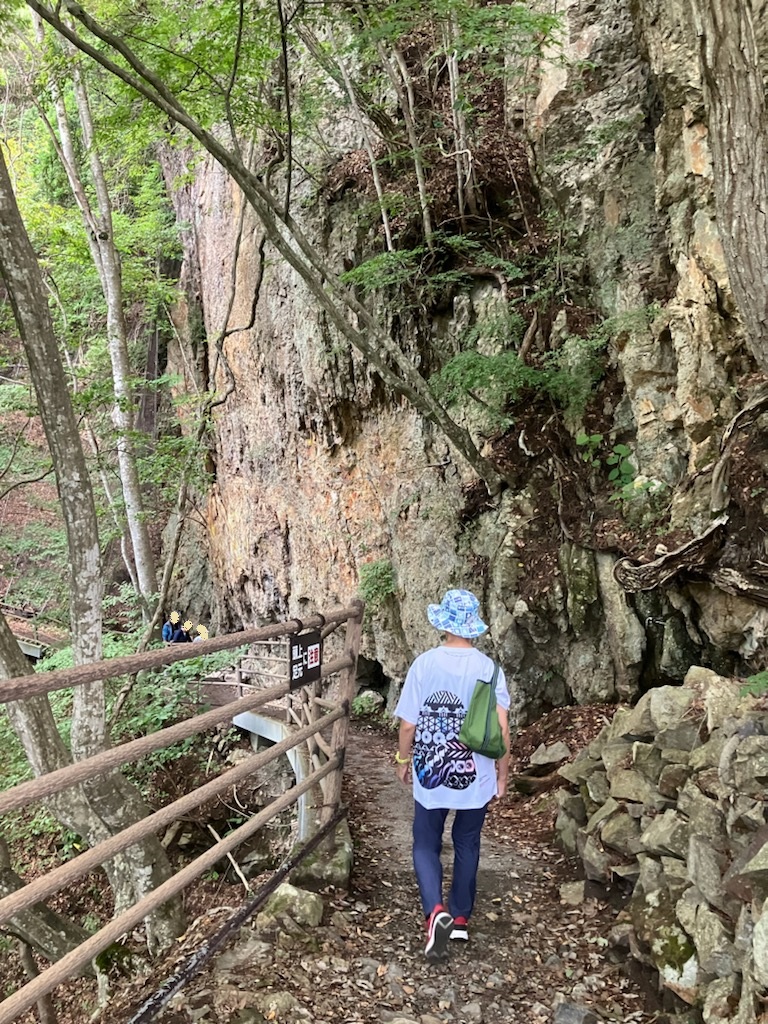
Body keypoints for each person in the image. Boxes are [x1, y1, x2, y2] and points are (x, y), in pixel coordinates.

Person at [393, 589, 510, 962]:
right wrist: (502, 774)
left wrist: (403, 759)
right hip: (477, 774)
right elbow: (502, 729)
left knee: (425, 844)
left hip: (430, 772)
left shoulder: (424, 665)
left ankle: (435, 912)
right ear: (473, 627)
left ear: (443, 624)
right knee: (467, 842)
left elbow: (408, 724)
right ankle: (460, 917)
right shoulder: (490, 669)